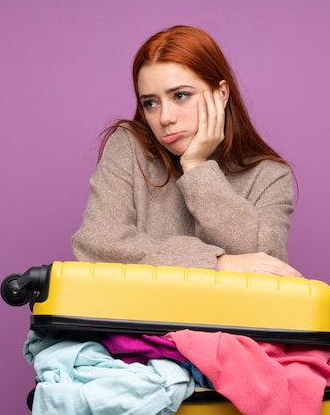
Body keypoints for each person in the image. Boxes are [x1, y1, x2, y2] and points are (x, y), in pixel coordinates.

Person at [71, 24, 302, 279]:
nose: (165, 117)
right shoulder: (129, 146)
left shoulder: (269, 175)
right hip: (138, 316)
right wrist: (214, 262)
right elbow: (96, 245)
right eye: (150, 103)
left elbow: (268, 265)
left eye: (180, 95)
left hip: (227, 318)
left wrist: (197, 167)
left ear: (221, 93)